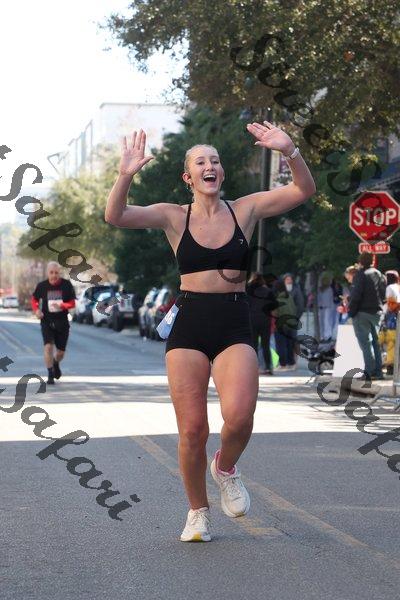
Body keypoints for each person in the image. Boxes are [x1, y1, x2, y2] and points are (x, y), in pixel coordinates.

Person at [105, 123, 316, 542]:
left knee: (239, 416)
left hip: (234, 319)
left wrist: (291, 151)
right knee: (192, 430)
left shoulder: (245, 210)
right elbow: (116, 215)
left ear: (222, 172)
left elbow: (302, 190)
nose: (210, 166)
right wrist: (125, 174)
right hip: (189, 323)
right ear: (189, 177)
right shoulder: (173, 215)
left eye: (215, 161)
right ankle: (197, 511)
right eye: (201, 162)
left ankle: (225, 467)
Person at [31, 262, 76, 384]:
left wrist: (62, 305)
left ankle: (55, 363)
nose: (54, 275)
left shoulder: (66, 285)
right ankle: (50, 374)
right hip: (47, 320)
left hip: (62, 322)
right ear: (48, 273)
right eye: (51, 272)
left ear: (59, 273)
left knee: (60, 353)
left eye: (56, 273)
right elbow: (34, 299)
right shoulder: (42, 286)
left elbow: (72, 303)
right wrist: (37, 310)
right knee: (48, 346)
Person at [348, 252, 387, 380]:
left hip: (362, 313)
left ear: (360, 262)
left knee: (365, 344)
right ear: (372, 260)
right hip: (376, 313)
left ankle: (370, 372)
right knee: (376, 343)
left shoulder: (360, 275)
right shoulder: (379, 274)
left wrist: (351, 312)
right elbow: (383, 294)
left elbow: (356, 295)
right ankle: (378, 372)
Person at [246, 272, 278, 375]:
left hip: (252, 320)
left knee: (253, 345)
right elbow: (274, 306)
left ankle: (253, 368)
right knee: (265, 345)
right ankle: (268, 367)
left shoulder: (248, 291)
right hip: (265, 320)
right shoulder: (268, 291)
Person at [272, 278, 298, 370]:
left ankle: (283, 364)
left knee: (281, 345)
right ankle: (291, 363)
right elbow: (294, 309)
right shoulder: (289, 297)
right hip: (291, 324)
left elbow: (275, 313)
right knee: (289, 345)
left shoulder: (277, 299)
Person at [378, 271, 400, 375]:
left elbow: (390, 304)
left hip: (391, 318)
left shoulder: (390, 287)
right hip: (397, 317)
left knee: (388, 342)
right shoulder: (398, 286)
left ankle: (390, 366)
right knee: (394, 343)